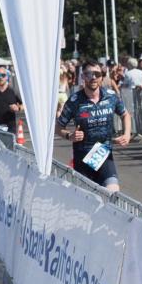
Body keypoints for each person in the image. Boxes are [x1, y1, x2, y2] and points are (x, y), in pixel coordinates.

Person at [57, 60, 132, 192]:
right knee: (88, 200)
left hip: (103, 153)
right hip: (83, 157)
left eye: (96, 74)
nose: (93, 77)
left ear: (101, 76)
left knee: (113, 192)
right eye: (88, 74)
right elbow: (58, 127)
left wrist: (127, 134)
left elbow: (125, 115)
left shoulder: (111, 97)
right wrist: (69, 135)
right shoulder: (74, 101)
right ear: (83, 77)